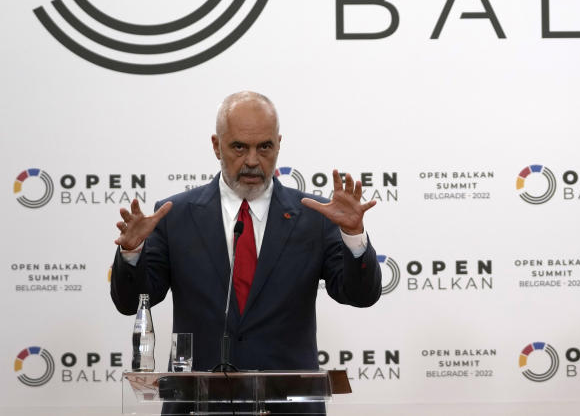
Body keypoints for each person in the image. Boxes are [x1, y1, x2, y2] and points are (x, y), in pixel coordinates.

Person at [110, 91, 381, 381]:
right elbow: (132, 303)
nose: (252, 160)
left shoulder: (314, 217)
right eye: (239, 147)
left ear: (278, 144)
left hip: (288, 404)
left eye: (264, 147)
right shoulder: (175, 216)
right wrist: (132, 250)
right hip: (199, 404)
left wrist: (353, 235)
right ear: (217, 146)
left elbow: (360, 296)